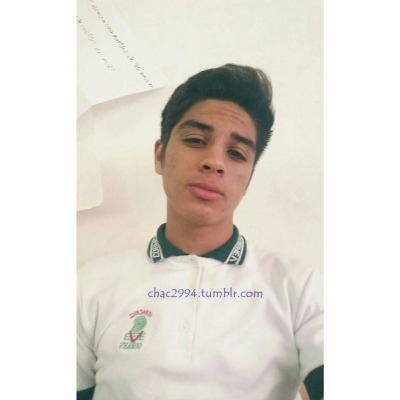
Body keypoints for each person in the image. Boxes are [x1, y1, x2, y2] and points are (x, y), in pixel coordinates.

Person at [77, 64, 323, 400]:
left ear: (248, 179)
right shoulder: (90, 285)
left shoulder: (298, 286)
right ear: (160, 155)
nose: (214, 162)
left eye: (236, 153)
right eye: (195, 140)